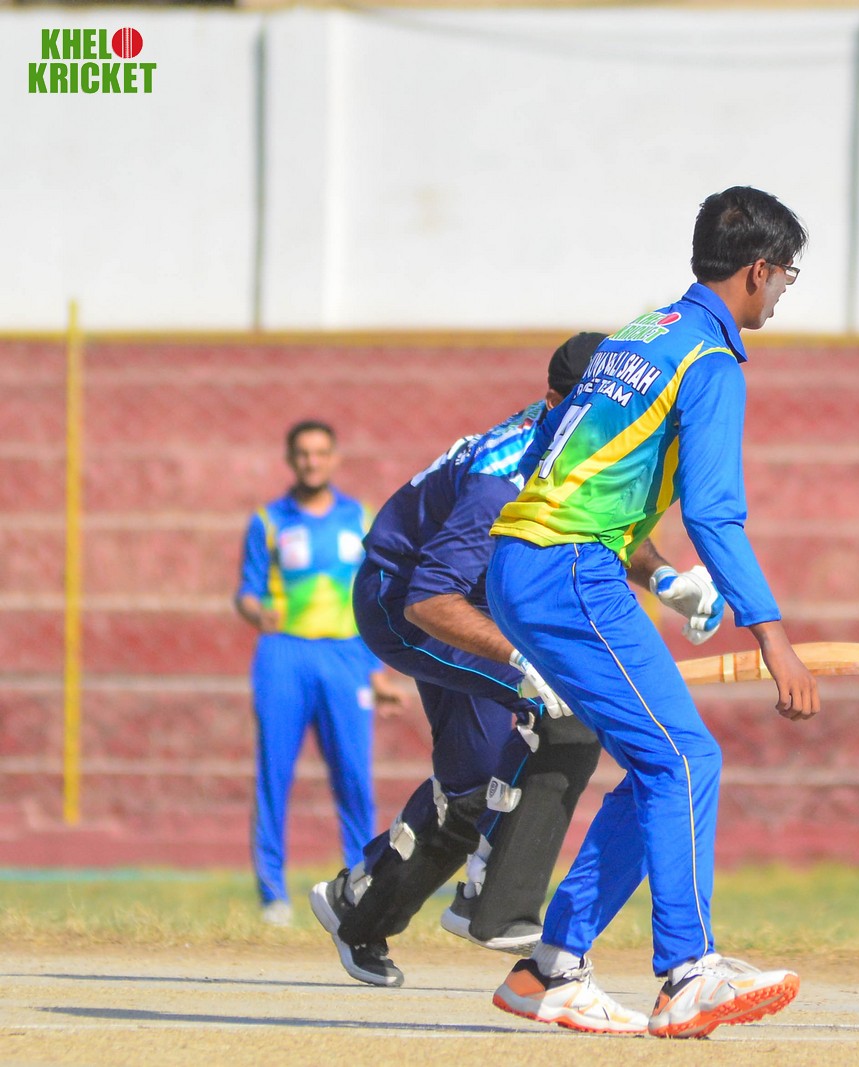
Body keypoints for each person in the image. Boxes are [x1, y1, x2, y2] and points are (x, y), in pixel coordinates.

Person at [485, 186, 820, 1039]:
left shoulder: (640, 332)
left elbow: (572, 461)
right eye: (788, 275)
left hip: (531, 560)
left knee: (658, 763)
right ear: (758, 271)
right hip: (570, 569)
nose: (784, 292)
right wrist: (774, 636)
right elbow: (714, 512)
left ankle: (550, 968)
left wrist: (664, 580)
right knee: (684, 758)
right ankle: (689, 973)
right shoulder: (710, 359)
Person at [307, 333, 726, 988]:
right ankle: (493, 902)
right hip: (407, 603)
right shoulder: (500, 478)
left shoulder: (586, 439)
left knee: (472, 785)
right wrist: (521, 663)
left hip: (478, 600)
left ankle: (357, 907)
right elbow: (428, 599)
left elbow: (595, 524)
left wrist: (666, 579)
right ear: (557, 400)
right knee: (563, 714)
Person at [235, 420, 400, 926]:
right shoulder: (268, 520)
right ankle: (273, 897)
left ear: (334, 458)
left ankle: (359, 888)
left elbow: (373, 597)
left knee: (354, 776)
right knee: (274, 774)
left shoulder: (359, 518)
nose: (311, 461)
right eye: (302, 453)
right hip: (284, 656)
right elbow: (247, 591)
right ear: (291, 459)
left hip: (346, 658)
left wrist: (377, 670)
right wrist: (254, 611)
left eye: (320, 452)